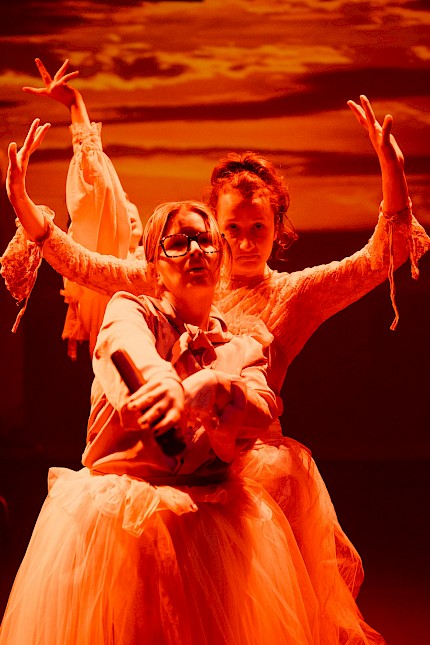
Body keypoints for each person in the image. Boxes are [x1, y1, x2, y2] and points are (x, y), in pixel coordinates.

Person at [3, 98, 428, 642]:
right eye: (231, 229)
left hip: (247, 463)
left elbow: (377, 259)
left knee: (256, 613)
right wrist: (29, 209)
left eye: (259, 228)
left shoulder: (290, 296)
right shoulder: (171, 275)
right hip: (163, 470)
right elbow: (93, 277)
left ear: (278, 228)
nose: (244, 242)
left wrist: (393, 176)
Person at [22, 58, 143, 359]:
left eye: (127, 202)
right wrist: (75, 105)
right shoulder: (108, 272)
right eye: (118, 204)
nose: (124, 208)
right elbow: (96, 190)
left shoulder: (160, 266)